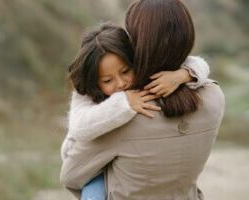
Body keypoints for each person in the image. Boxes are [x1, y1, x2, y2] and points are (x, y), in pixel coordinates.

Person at [61, 0, 224, 199]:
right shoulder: (215, 97)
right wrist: (183, 75)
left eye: (125, 71)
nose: (120, 84)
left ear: (137, 46)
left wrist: (181, 74)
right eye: (107, 80)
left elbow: (71, 176)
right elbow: (196, 64)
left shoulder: (127, 117)